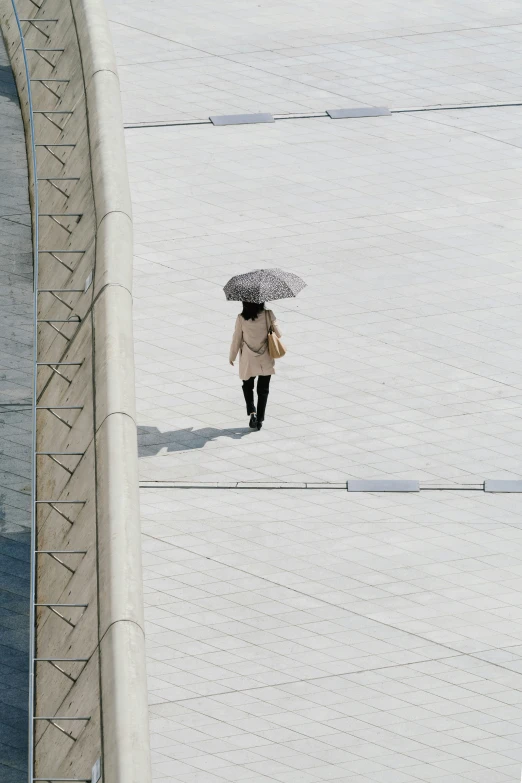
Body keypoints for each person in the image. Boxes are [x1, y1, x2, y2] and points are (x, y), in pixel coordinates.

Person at [229, 302, 282, 430]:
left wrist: (232, 356)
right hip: (265, 356)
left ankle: (252, 411)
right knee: (263, 390)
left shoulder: (241, 318)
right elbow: (279, 334)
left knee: (247, 385)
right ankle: (260, 419)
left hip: (248, 358)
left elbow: (236, 338)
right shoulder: (268, 314)